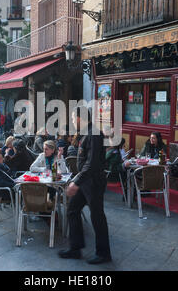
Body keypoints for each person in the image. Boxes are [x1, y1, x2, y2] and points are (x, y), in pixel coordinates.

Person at [58, 106, 111, 265]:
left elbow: (92, 163)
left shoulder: (93, 133)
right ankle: (75, 248)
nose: (73, 121)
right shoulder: (86, 133)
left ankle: (104, 253)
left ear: (80, 118)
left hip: (93, 182)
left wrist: (76, 182)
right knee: (73, 210)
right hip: (85, 181)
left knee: (97, 217)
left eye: (74, 118)